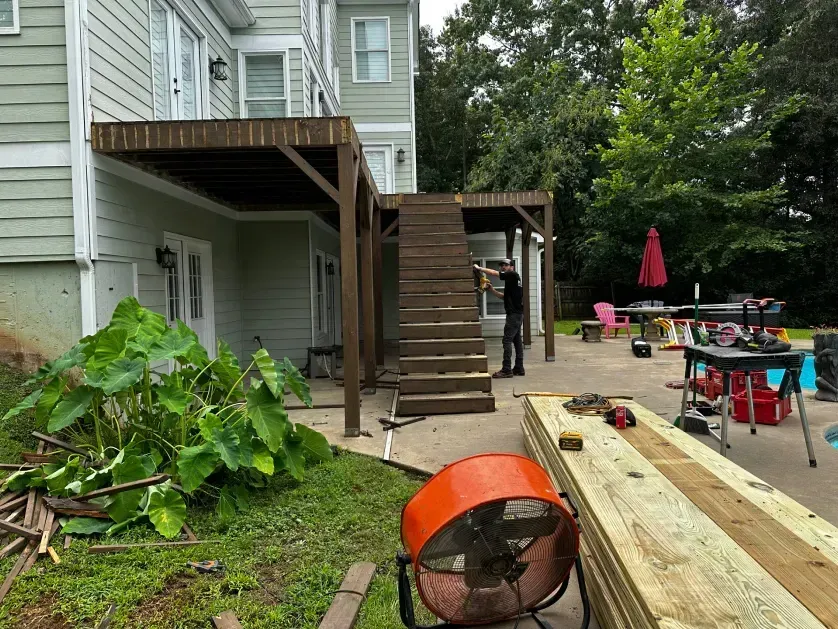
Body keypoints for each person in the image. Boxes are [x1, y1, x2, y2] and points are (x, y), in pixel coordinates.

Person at [473, 259, 525, 377]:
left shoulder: (512, 274)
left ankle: (506, 370)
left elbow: (494, 273)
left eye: (505, 265)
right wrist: (492, 290)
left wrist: (479, 268)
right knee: (517, 341)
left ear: (512, 267)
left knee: (507, 340)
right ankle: (519, 368)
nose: (503, 267)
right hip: (517, 315)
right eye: (501, 265)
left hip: (514, 315)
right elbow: (504, 297)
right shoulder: (512, 281)